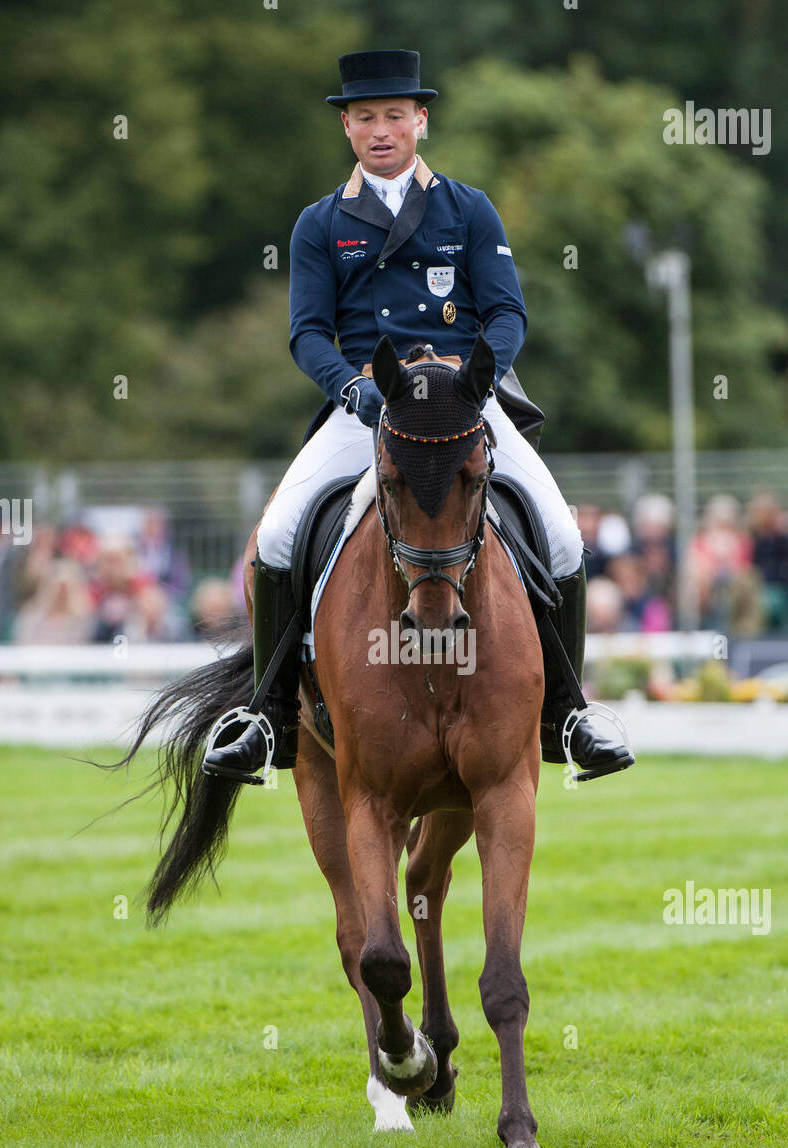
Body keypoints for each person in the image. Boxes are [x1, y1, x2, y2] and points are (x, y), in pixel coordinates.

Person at [204, 50, 633, 783]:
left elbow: (505, 312)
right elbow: (308, 333)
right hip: (370, 404)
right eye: (365, 117)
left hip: (465, 403)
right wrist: (351, 389)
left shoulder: (468, 207)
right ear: (347, 126)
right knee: (277, 534)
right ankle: (267, 719)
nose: (381, 130)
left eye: (394, 116)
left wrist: (478, 382)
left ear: (419, 120)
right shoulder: (319, 223)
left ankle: (567, 713)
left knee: (562, 537)